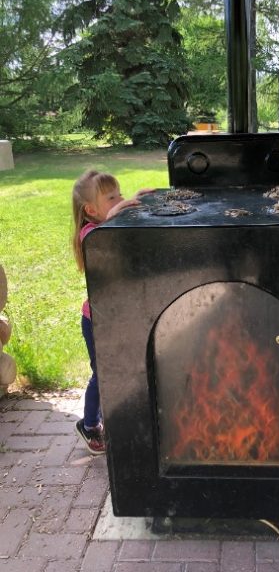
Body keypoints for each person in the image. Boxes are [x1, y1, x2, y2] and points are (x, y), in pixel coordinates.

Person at [72, 169, 154, 454]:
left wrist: (134, 201)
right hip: (96, 321)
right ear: (91, 209)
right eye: (111, 198)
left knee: (121, 369)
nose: (118, 199)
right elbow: (104, 236)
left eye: (119, 193)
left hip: (117, 316)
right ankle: (90, 424)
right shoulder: (90, 234)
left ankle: (115, 417)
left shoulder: (110, 223)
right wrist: (121, 208)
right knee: (103, 374)